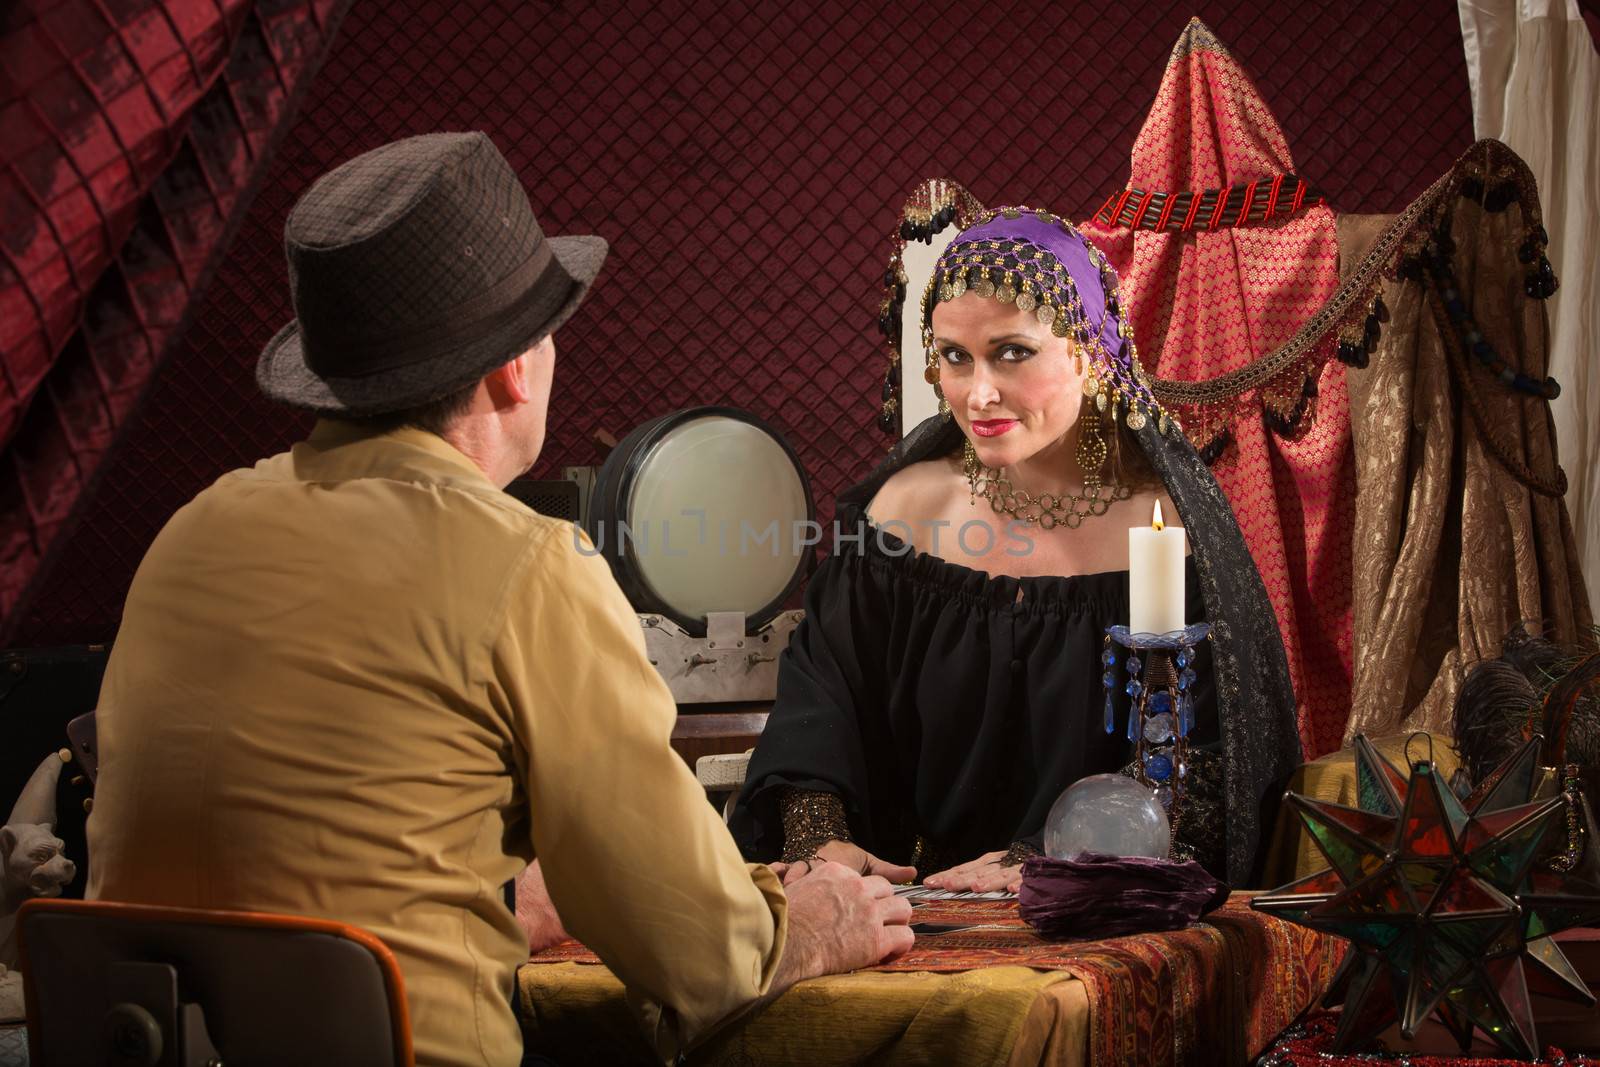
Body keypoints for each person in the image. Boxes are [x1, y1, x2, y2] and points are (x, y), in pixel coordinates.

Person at [85, 132, 911, 1067]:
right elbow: (705, 954)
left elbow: (282, 867)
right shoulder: (525, 562)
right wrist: (808, 926)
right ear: (517, 365)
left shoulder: (191, 532)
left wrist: (509, 896)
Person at [731, 207, 1302, 890]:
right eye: (954, 357)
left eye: (1012, 352)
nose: (979, 393)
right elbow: (820, 702)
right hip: (906, 912)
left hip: (1094, 917)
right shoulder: (899, 515)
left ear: (1088, 353)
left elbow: (1206, 764)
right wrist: (820, 837)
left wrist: (1042, 861)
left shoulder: (1169, 530)